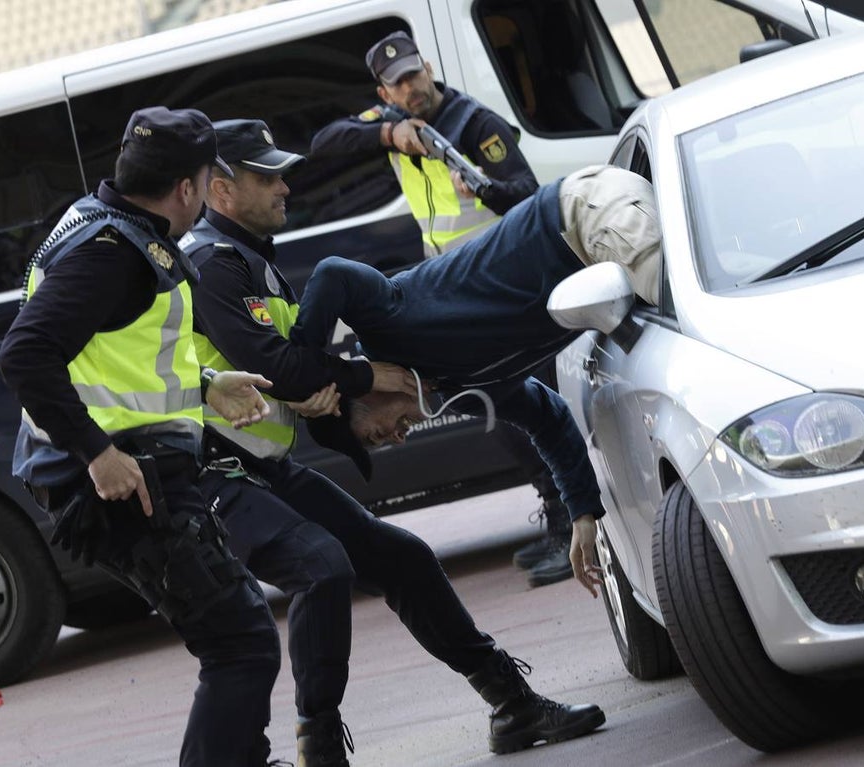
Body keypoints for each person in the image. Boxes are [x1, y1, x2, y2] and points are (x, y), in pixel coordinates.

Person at [182, 118, 607, 765]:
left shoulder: (253, 262)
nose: (284, 187)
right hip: (211, 474)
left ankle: (512, 702)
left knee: (403, 559)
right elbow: (291, 368)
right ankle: (318, 746)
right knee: (321, 568)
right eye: (265, 176)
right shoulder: (212, 263)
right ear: (220, 189)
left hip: (263, 467)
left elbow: (299, 372)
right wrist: (358, 376)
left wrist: (583, 512)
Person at [0, 106, 283, 767]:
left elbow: (111, 361)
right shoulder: (112, 252)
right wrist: (96, 453)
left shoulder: (105, 223)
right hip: (120, 481)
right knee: (241, 643)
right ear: (188, 187)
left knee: (237, 634)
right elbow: (25, 355)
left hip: (135, 465)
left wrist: (205, 384)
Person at [289, 164, 662, 596]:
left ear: (360, 394)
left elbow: (332, 272)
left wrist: (308, 370)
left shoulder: (385, 325)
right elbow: (548, 418)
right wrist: (582, 515)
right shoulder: (454, 392)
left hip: (582, 217)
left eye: (375, 434)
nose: (395, 439)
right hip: (597, 256)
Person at [311, 29, 574, 586]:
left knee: (523, 402)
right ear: (383, 92)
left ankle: (569, 522)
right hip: (454, 296)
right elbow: (327, 142)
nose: (412, 88)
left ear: (428, 67)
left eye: (415, 74)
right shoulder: (393, 123)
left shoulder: (473, 124)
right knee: (497, 412)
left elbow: (528, 196)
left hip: (501, 290)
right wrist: (390, 134)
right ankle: (558, 514)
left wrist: (482, 189)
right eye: (398, 83)